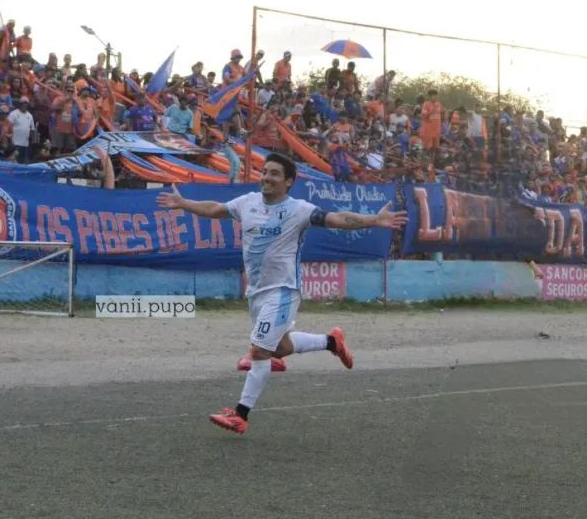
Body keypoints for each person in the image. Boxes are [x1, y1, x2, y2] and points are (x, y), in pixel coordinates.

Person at [155, 152, 408, 434]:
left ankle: (240, 415)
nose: (267, 178)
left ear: (288, 182)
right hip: (257, 293)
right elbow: (215, 208)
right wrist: (182, 203)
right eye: (265, 172)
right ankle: (330, 342)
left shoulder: (298, 210)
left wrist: (374, 220)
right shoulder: (246, 203)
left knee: (260, 351)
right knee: (280, 348)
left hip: (284, 290)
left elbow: (337, 218)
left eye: (275, 174)